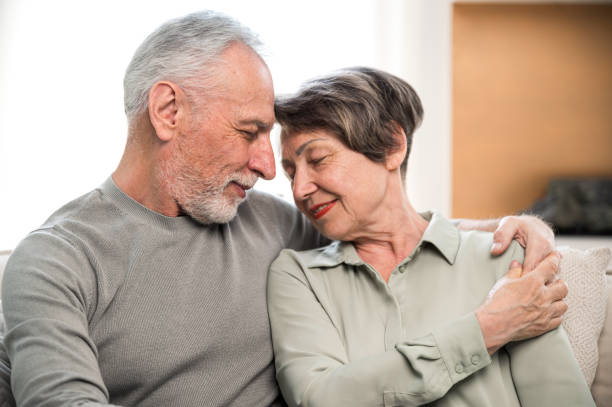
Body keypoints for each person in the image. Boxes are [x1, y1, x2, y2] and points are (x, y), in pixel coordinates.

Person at [0, 11, 564, 407]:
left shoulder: (267, 223)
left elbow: (391, 229)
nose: (272, 170)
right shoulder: (55, 261)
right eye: (250, 132)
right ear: (169, 110)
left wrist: (517, 229)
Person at [268, 67, 594, 407]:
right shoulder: (298, 275)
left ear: (392, 146)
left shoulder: (504, 260)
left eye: (318, 159)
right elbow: (317, 399)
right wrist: (485, 330)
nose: (300, 189)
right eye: (290, 173)